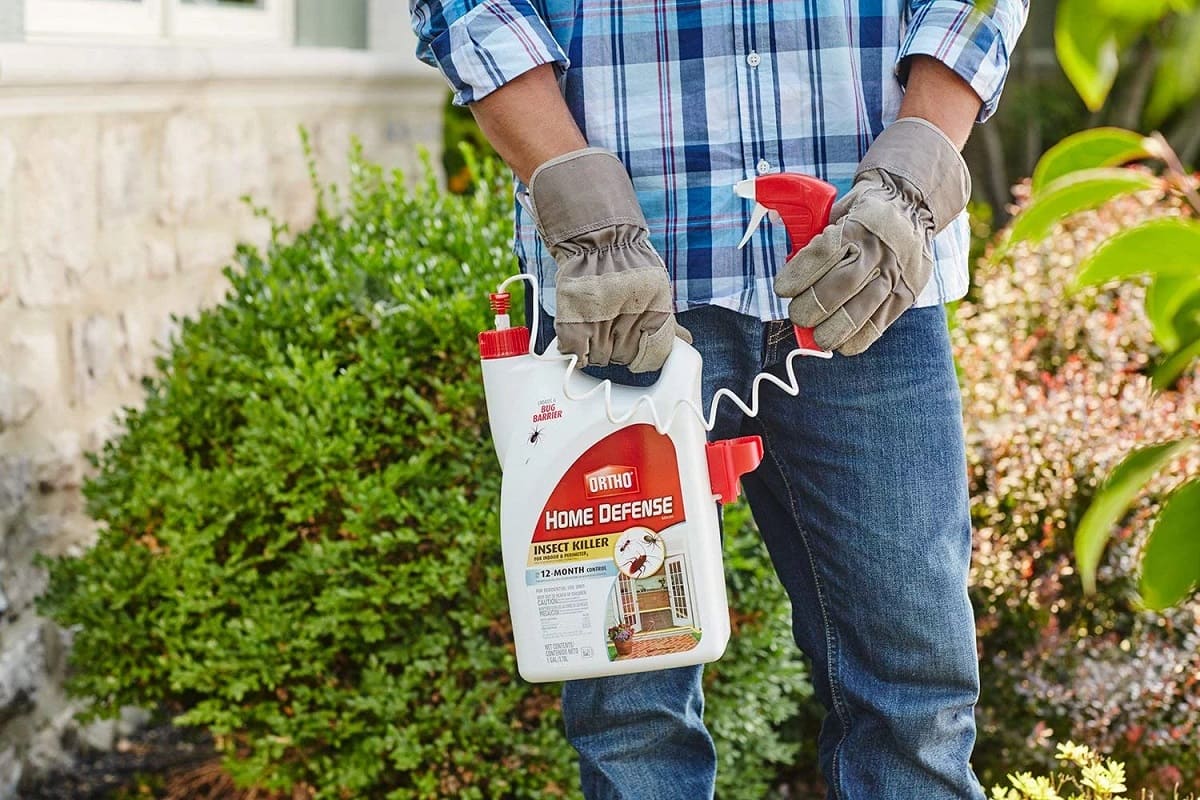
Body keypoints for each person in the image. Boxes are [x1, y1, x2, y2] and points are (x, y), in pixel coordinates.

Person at [411, 1, 1027, 797]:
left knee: (916, 704)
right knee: (631, 717)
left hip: (865, 269)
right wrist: (573, 189)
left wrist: (919, 165)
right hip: (618, 290)